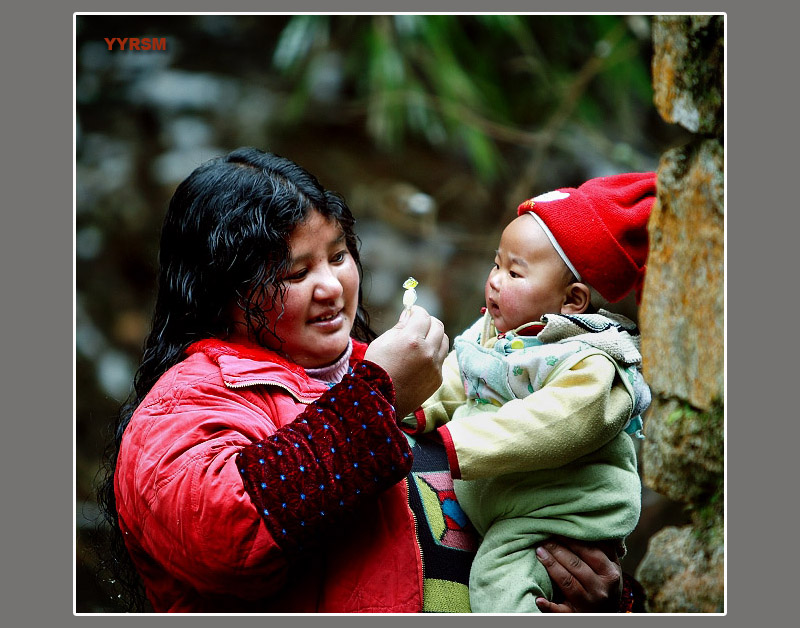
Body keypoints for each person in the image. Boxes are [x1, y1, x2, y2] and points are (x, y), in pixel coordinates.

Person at [96, 147, 643, 613]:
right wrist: (377, 395)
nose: (331, 286)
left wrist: (603, 601)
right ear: (221, 293)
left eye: (338, 256)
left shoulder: (408, 375)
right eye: (294, 272)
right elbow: (229, 532)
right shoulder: (182, 405)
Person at [401, 172, 656, 613]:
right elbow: (459, 378)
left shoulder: (592, 362)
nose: (496, 280)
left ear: (572, 300)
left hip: (558, 512)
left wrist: (456, 443)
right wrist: (413, 409)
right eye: (496, 264)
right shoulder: (498, 336)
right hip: (514, 499)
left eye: (515, 272)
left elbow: (554, 421)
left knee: (499, 582)